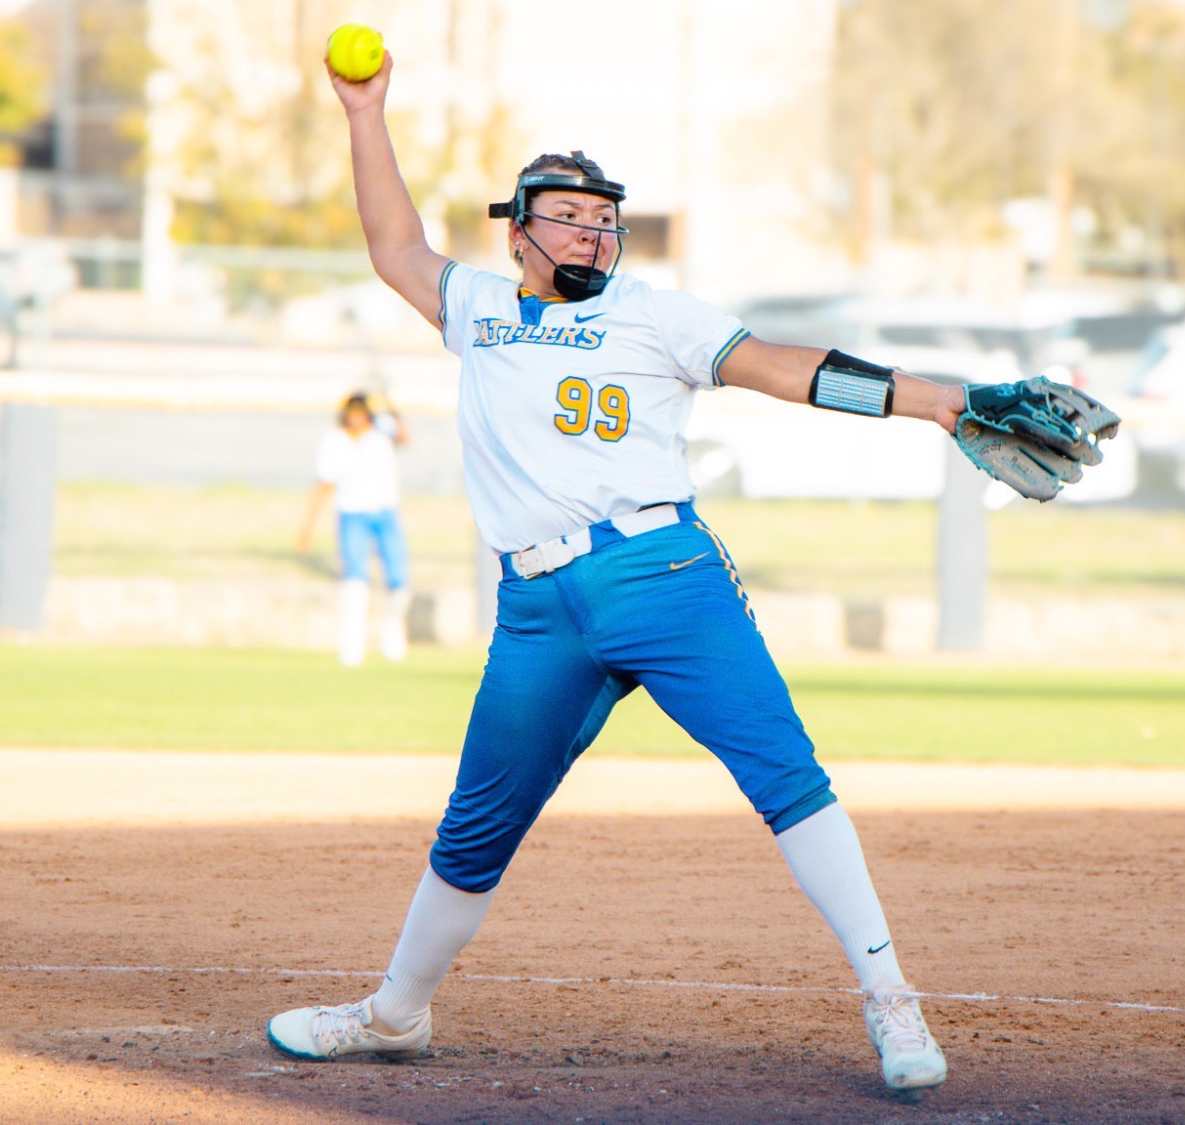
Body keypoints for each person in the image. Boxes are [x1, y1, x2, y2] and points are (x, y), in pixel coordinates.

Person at [266, 49, 978, 1094]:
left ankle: (891, 1001)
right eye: (566, 213)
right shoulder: (477, 308)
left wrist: (940, 400)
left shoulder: (655, 313)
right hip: (537, 608)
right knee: (478, 821)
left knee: (785, 776)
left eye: (603, 215)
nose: (591, 228)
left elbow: (782, 368)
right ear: (517, 231)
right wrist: (364, 113)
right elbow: (393, 247)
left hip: (662, 574)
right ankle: (393, 1014)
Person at [296, 391, 411, 665]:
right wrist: (307, 528)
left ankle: (392, 634)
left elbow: (405, 436)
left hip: (385, 512)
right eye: (352, 411)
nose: (356, 416)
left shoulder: (382, 431)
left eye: (362, 411)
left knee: (398, 579)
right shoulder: (334, 441)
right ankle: (352, 646)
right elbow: (324, 483)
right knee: (355, 579)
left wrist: (391, 404)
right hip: (352, 514)